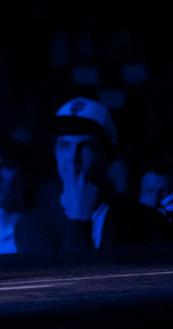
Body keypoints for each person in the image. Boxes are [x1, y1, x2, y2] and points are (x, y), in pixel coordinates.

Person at [15, 97, 173, 253]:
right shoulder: (33, 224)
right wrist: (78, 221)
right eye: (64, 145)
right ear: (55, 151)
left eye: (86, 147)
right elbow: (65, 278)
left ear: (107, 156)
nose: (73, 158)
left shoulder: (146, 222)